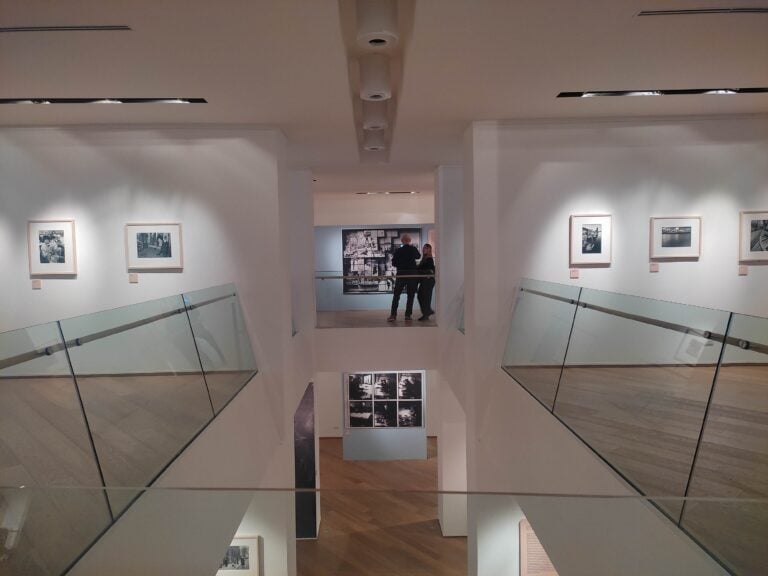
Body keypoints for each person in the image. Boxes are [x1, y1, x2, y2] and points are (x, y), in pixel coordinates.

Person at [388, 234, 420, 322]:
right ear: (409, 240)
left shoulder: (398, 250)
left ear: (402, 241)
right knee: (411, 296)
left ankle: (393, 315)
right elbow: (418, 256)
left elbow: (394, 263)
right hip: (412, 275)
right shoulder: (413, 249)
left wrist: (401, 264)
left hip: (401, 274)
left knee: (396, 295)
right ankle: (408, 315)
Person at [416, 243, 435, 321]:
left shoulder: (429, 259)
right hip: (425, 280)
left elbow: (430, 268)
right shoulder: (424, 259)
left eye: (426, 248)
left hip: (428, 280)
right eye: (424, 248)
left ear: (429, 250)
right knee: (421, 296)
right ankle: (427, 311)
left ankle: (426, 314)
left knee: (424, 297)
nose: (424, 249)